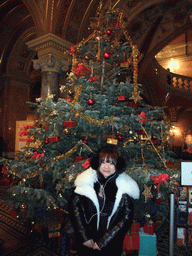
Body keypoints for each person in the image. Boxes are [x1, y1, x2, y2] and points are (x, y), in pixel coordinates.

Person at [68, 145, 140, 256]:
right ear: (98, 163)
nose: (106, 166)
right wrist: (85, 237)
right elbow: (75, 210)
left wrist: (104, 241)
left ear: (117, 165)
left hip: (111, 241)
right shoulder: (86, 184)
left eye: (111, 163)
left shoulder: (124, 188)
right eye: (103, 162)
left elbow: (126, 219)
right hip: (88, 240)